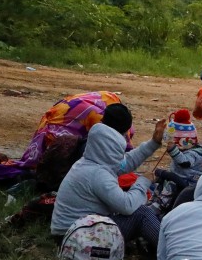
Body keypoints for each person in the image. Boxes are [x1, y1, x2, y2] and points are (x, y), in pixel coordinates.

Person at [50, 103, 167, 250]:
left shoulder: (91, 162)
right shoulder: (99, 175)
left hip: (71, 232)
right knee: (142, 213)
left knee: (135, 207)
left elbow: (125, 163)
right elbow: (127, 206)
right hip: (77, 239)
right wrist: (143, 182)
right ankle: (172, 252)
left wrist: (154, 143)